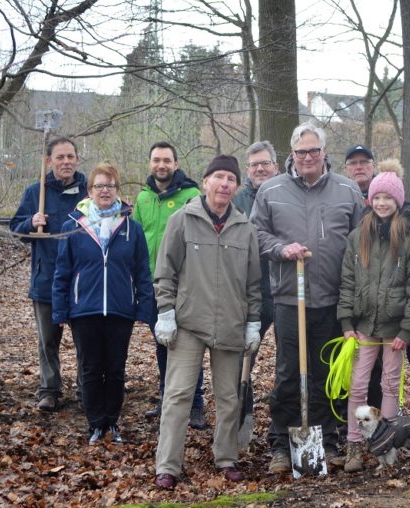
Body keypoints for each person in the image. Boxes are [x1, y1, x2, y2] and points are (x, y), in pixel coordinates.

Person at [252, 122, 363, 473]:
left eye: (314, 150)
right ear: (292, 154)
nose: (308, 157)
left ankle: (326, 441)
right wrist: (280, 248)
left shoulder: (347, 190)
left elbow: (361, 242)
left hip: (332, 299)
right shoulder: (271, 190)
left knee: (325, 373)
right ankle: (281, 445)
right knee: (289, 372)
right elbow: (256, 232)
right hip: (289, 297)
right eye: (301, 152)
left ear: (324, 152)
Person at [153, 155, 262, 489]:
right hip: (189, 323)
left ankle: (226, 458)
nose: (224, 184)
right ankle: (168, 465)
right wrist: (165, 312)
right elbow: (165, 271)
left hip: (230, 324)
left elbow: (253, 284)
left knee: (229, 397)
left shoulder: (245, 228)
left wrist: (253, 322)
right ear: (205, 182)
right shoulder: (182, 220)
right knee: (178, 395)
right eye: (218, 177)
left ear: (237, 187)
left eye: (231, 179)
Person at [52, 162, 154, 444]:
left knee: (116, 370)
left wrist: (144, 307)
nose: (105, 191)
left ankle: (113, 420)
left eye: (110, 186)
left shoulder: (132, 228)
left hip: (121, 310)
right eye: (99, 186)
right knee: (90, 369)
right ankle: (96, 423)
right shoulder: (73, 227)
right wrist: (60, 310)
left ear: (117, 190)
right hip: (84, 310)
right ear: (90, 191)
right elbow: (62, 272)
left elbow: (142, 272)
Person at [338, 169, 410, 472]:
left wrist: (407, 329)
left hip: (395, 329)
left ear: (398, 201)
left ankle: (389, 443)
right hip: (364, 325)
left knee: (390, 384)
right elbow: (347, 281)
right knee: (357, 384)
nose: (381, 202)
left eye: (388, 197)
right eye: (377, 197)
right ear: (370, 200)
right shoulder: (358, 236)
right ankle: (354, 443)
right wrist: (346, 322)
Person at [10, 137, 88, 412]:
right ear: (48, 161)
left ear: (77, 159)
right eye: (60, 157)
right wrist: (31, 223)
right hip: (46, 281)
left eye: (70, 156)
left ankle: (86, 389)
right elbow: (16, 228)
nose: (66, 162)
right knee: (48, 342)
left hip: (81, 282)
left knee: (85, 341)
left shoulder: (88, 191)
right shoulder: (36, 192)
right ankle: (50, 390)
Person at [133, 141, 206, 427]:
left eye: (166, 160)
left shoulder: (192, 195)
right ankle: (167, 398)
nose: (161, 165)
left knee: (190, 345)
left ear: (176, 164)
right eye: (156, 160)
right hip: (153, 285)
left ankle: (195, 404)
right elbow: (137, 239)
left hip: (185, 286)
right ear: (150, 163)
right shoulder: (143, 198)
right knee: (163, 343)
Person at [232, 140, 280, 432]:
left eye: (265, 163)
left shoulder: (288, 194)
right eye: (254, 164)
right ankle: (243, 418)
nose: (260, 168)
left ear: (276, 165)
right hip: (250, 292)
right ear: (247, 169)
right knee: (242, 358)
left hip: (285, 290)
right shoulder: (236, 202)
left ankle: (283, 425)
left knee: (289, 361)